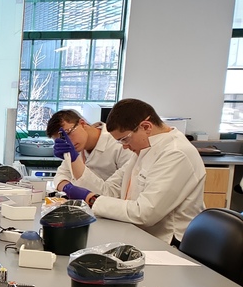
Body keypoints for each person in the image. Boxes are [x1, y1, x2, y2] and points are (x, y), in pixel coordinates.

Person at [59, 98, 205, 245]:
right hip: (140, 234)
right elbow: (108, 190)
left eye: (125, 139)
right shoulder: (143, 150)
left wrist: (92, 199)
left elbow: (145, 213)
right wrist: (75, 162)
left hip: (168, 244)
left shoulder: (176, 153)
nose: (124, 147)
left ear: (146, 127)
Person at [46, 109, 134, 191]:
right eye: (62, 140)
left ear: (82, 123)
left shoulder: (119, 143)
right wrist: (68, 189)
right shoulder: (76, 147)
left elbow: (116, 190)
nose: (68, 142)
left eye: (68, 133)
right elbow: (61, 174)